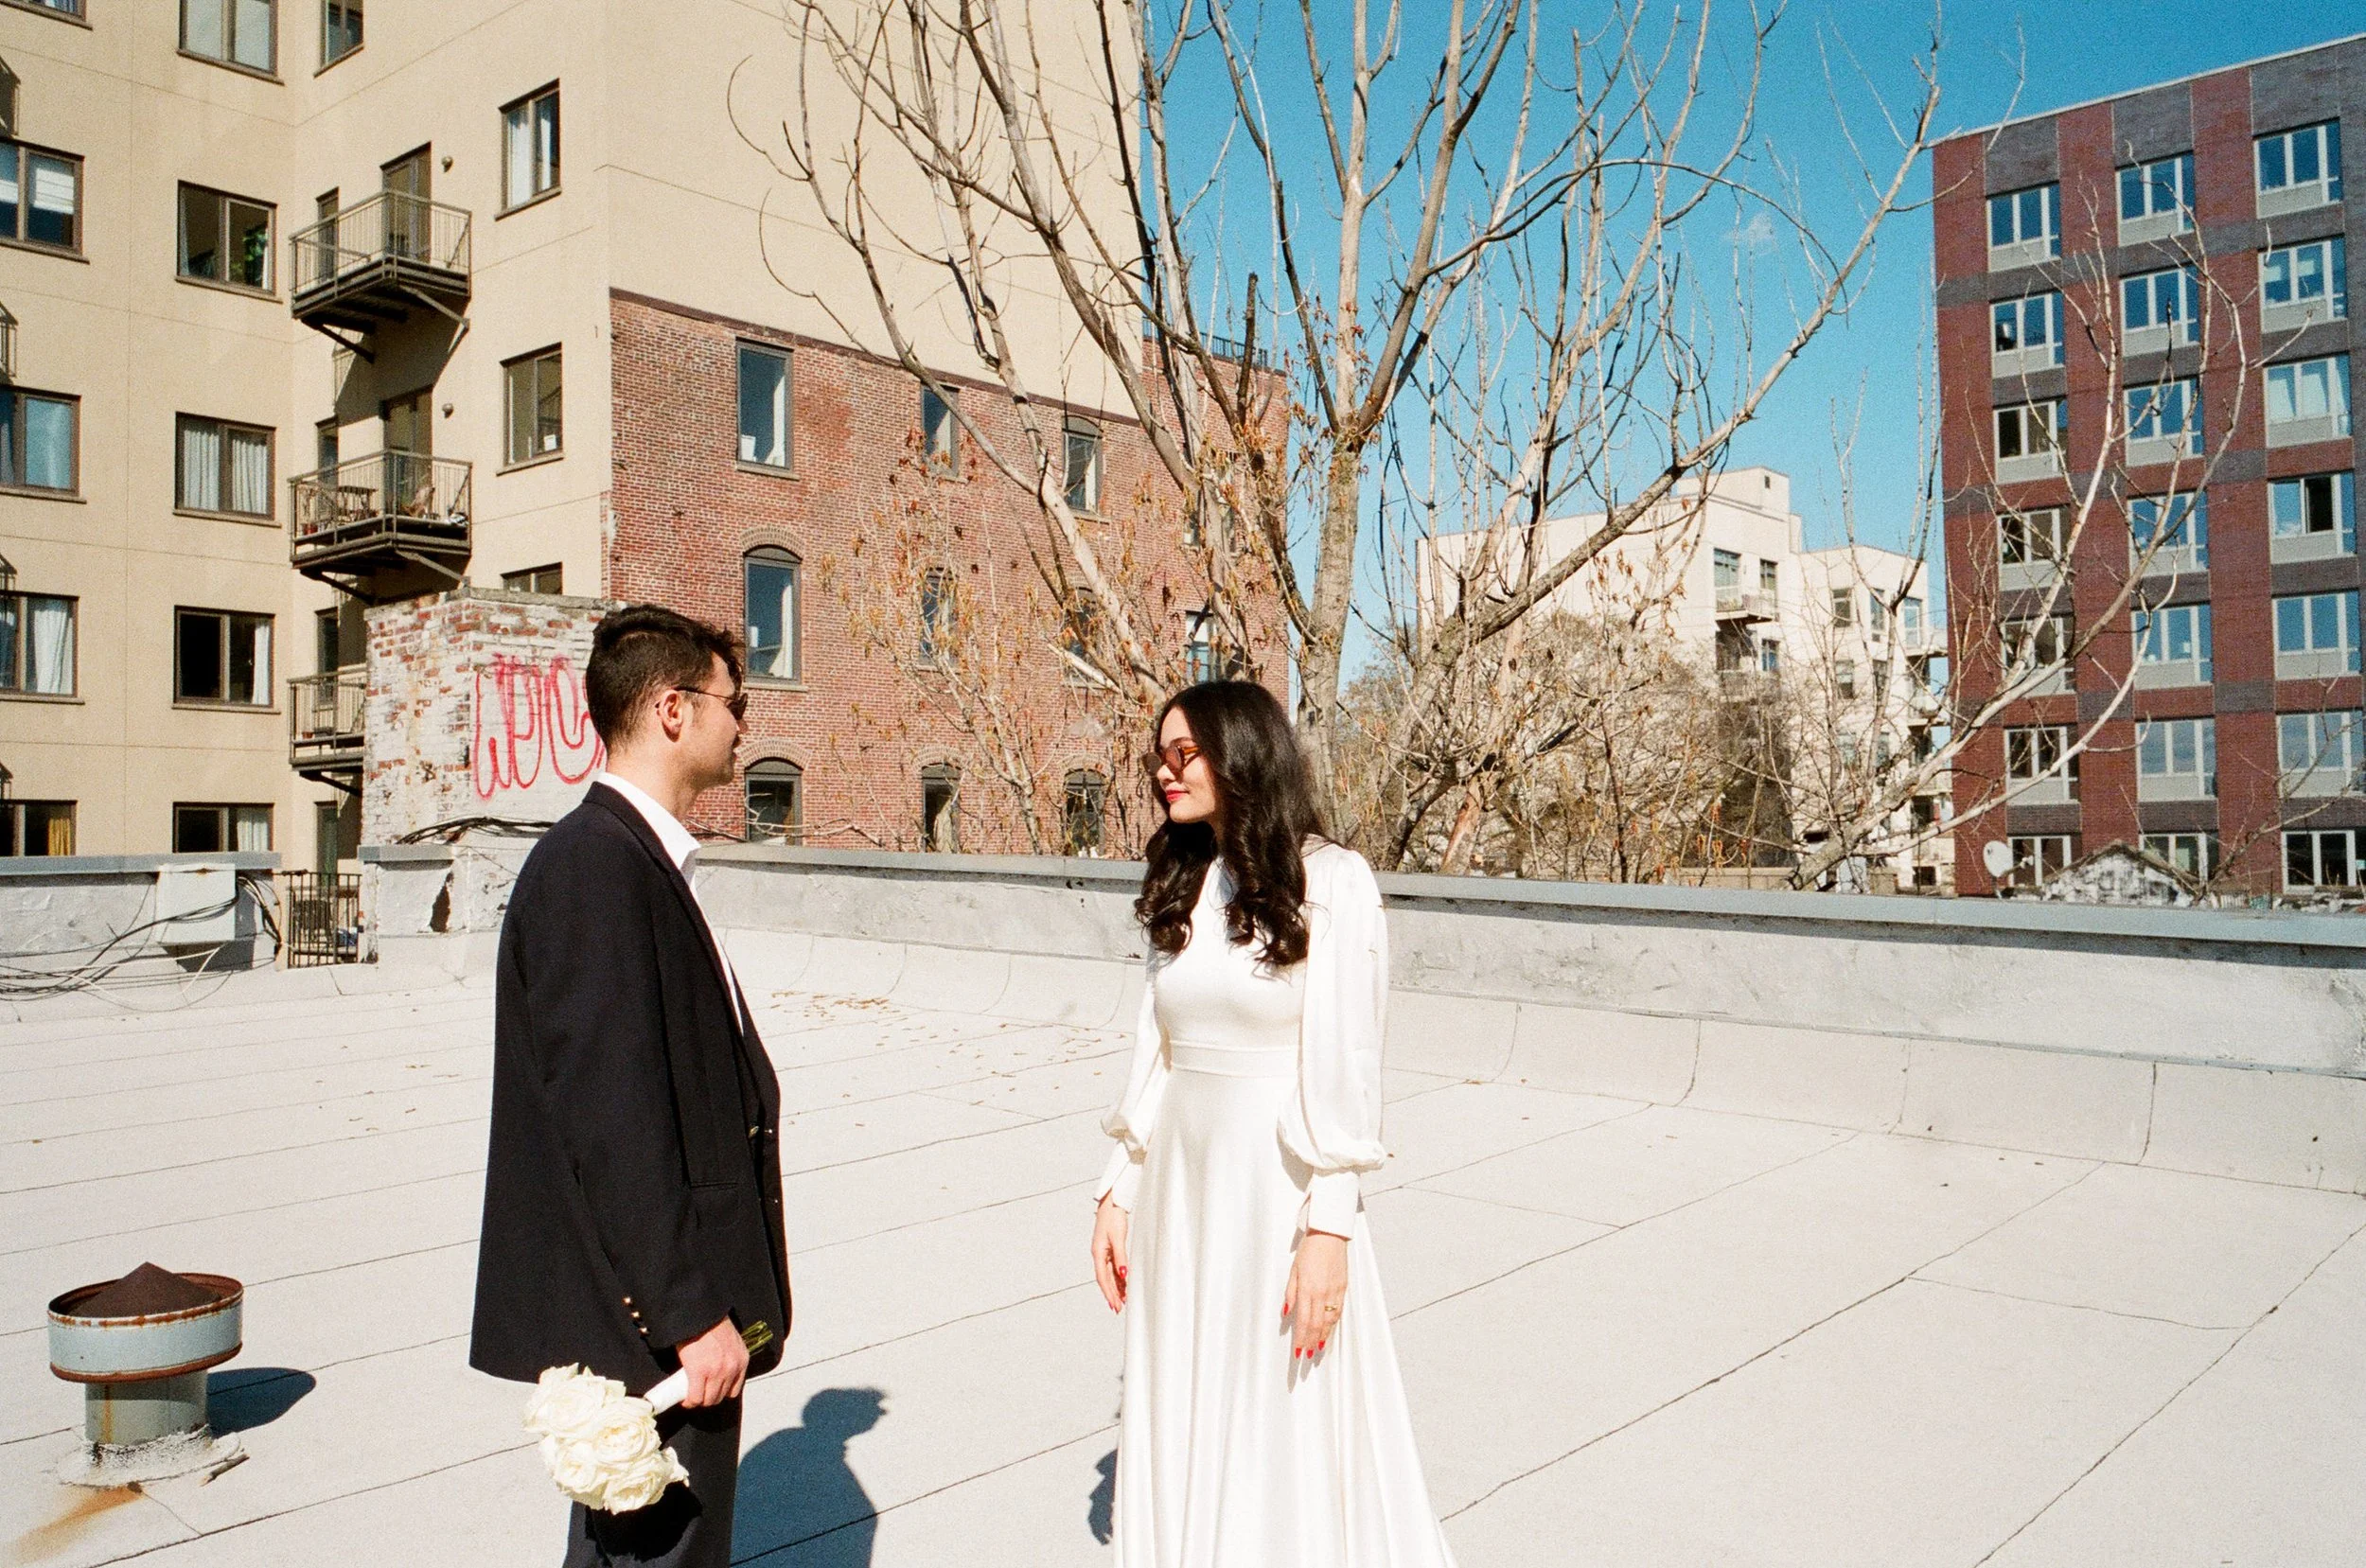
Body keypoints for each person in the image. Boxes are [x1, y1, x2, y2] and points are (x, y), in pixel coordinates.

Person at [1089, 680, 1458, 1567]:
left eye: (1186, 754)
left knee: (1277, 1397)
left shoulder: (1332, 880)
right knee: (1187, 1382)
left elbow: (1348, 1066)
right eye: (1159, 757)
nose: (1166, 772)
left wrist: (1329, 1224)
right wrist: (1119, 1184)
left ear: (1242, 751)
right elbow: (1158, 1050)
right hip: (1184, 1182)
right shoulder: (1182, 879)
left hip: (1277, 1184)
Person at [471, 605, 792, 1568]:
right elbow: (611, 1123)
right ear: (671, 709)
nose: (744, 726)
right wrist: (692, 1315)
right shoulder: (594, 870)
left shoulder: (630, 859)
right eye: (733, 704)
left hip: (661, 1319)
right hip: (655, 1332)